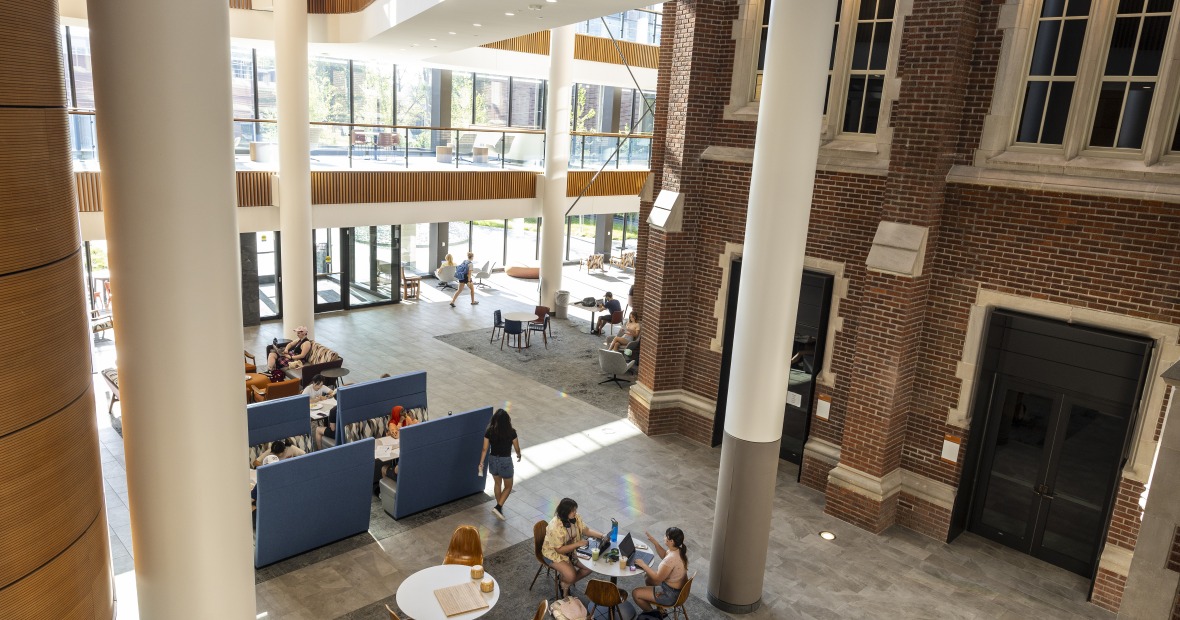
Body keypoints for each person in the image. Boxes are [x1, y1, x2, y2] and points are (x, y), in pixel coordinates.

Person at [542, 498, 606, 597]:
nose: (575, 513)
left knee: (589, 567)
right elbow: (558, 550)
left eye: (575, 510)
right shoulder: (554, 526)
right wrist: (578, 544)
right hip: (553, 554)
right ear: (564, 513)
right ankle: (567, 580)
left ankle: (565, 582)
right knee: (571, 575)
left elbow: (586, 531)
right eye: (573, 511)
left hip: (571, 552)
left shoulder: (575, 518)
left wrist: (602, 536)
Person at [632, 527, 689, 617]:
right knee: (648, 578)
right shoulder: (678, 550)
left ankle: (655, 615)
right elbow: (664, 555)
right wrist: (655, 542)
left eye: (666, 536)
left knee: (636, 593)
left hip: (670, 594)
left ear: (671, 541)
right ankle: (659, 608)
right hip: (677, 590)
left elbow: (657, 577)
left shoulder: (671, 559)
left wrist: (643, 565)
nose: (664, 537)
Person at [478, 408, 521, 520]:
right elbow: (516, 447)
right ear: (507, 420)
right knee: (508, 487)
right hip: (505, 461)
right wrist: (518, 455)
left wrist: (481, 462)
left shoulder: (490, 431)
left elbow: (484, 449)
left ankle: (499, 508)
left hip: (493, 460)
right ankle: (498, 507)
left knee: (497, 484)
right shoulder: (511, 432)